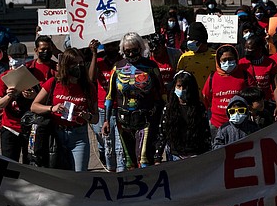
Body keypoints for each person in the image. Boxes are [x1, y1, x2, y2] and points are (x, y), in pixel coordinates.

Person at [105, 32, 167, 169]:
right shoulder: (117, 67)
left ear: (141, 48)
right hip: (123, 120)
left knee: (144, 158)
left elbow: (162, 93)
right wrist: (106, 120)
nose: (131, 54)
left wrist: (165, 115)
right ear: (123, 51)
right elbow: (109, 96)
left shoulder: (151, 67)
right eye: (128, 51)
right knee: (129, 160)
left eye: (134, 50)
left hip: (145, 119)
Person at [31, 48, 99, 171]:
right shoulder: (53, 83)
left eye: (80, 63)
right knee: (58, 174)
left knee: (79, 173)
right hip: (56, 135)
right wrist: (52, 108)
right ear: (66, 65)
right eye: (74, 64)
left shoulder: (88, 87)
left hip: (78, 136)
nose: (78, 67)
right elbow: (34, 106)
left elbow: (95, 119)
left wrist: (87, 116)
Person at [0, 43, 37, 164]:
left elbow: (42, 100)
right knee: (8, 163)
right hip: (10, 128)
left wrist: (33, 96)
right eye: (14, 56)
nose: (17, 60)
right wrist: (8, 96)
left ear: (25, 57)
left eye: (20, 56)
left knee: (30, 164)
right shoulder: (4, 77)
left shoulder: (33, 76)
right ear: (9, 57)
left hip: (30, 128)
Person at [155, 71, 211, 162]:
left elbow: (206, 134)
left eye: (185, 87)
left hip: (196, 155)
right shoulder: (168, 108)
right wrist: (157, 157)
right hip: (175, 156)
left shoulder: (199, 107)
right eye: (179, 86)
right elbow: (162, 134)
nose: (182, 90)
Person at [203, 44, 256, 138]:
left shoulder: (244, 75)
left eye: (231, 59)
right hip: (217, 125)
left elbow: (254, 95)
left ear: (236, 59)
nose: (228, 62)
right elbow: (206, 98)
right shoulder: (212, 77)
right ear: (218, 61)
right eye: (224, 60)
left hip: (242, 125)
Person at [89, 40, 125, 172]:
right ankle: (110, 169)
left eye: (114, 45)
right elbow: (91, 78)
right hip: (102, 108)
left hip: (120, 107)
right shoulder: (98, 61)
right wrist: (93, 54)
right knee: (106, 144)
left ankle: (120, 171)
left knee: (119, 146)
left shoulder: (123, 61)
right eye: (108, 45)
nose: (111, 48)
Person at [239, 36, 277, 120]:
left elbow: (276, 86)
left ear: (260, 49)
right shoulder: (241, 64)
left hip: (264, 105)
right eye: (245, 48)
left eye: (250, 49)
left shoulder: (270, 63)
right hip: (246, 106)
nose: (247, 51)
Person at [176, 22, 217, 96]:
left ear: (202, 41)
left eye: (193, 40)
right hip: (191, 98)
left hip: (210, 98)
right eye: (189, 39)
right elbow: (179, 80)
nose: (189, 42)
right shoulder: (184, 57)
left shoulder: (216, 56)